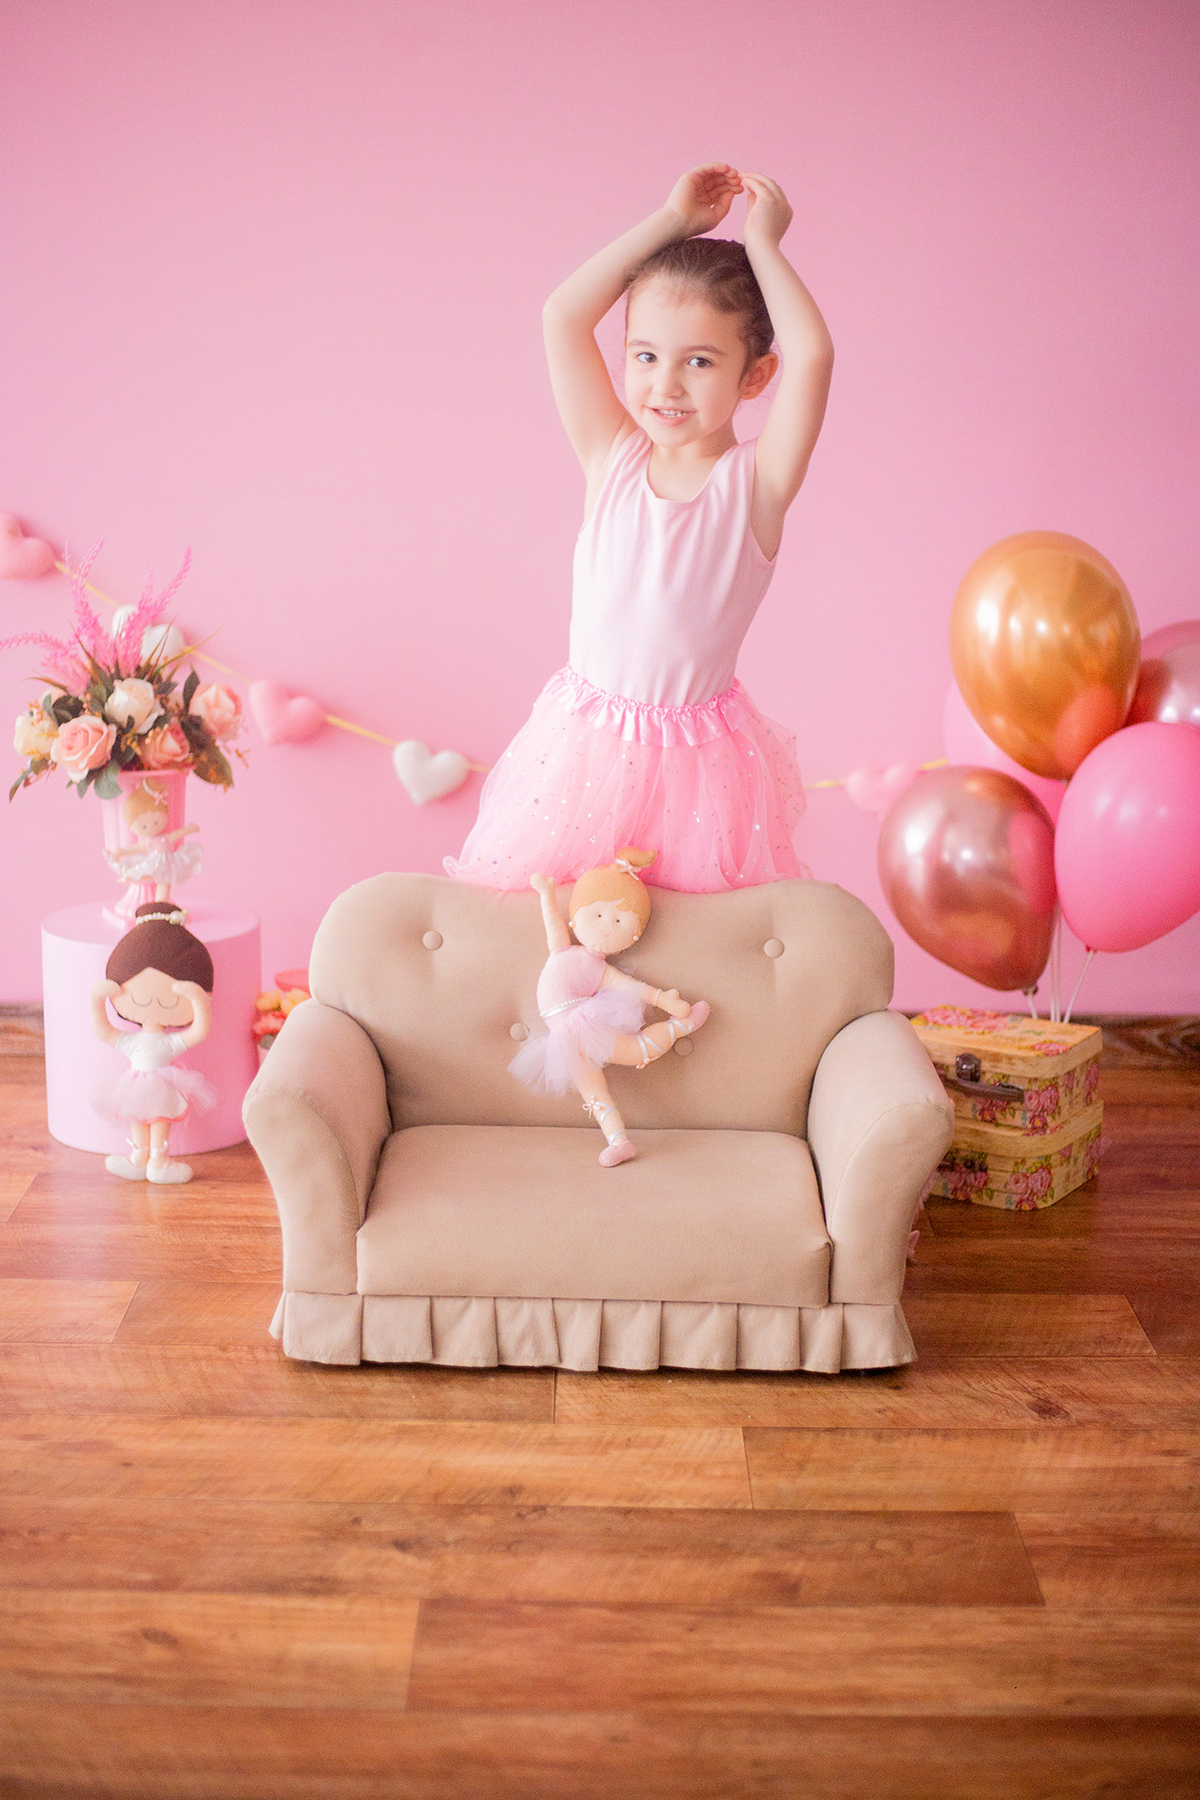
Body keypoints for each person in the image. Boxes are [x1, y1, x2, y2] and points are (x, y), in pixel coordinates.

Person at [447, 163, 833, 894]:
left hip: (701, 772)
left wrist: (765, 245)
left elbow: (814, 356)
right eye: (647, 356)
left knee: (683, 959)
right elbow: (562, 315)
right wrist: (670, 222)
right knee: (550, 928)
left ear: (755, 378)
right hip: (579, 752)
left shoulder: (755, 486)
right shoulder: (612, 456)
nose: (666, 384)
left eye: (700, 361)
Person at [509, 847, 709, 1166]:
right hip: (563, 1040)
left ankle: (681, 1025)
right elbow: (554, 925)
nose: (606, 926)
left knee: (633, 1051)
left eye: (617, 920)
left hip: (583, 1024)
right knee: (594, 1094)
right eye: (600, 915)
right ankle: (618, 1140)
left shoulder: (601, 971)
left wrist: (665, 1000)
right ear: (578, 916)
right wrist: (546, 892)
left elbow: (634, 988)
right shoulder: (562, 950)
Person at [89, 902, 215, 1184]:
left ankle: (158, 1160)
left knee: (159, 1120)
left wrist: (197, 1000)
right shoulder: (134, 1043)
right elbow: (104, 1032)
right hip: (135, 1085)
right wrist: (97, 999)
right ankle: (138, 1158)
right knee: (137, 1117)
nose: (152, 1001)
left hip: (162, 1082)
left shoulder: (166, 1043)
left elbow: (198, 1032)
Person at [104, 778, 202, 902]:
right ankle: (158, 901)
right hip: (154, 863)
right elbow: (136, 848)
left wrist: (189, 829)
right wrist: (122, 852)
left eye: (156, 822)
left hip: (169, 862)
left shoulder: (164, 837)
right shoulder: (149, 842)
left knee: (164, 883)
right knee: (140, 875)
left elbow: (176, 835)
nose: (151, 827)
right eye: (144, 826)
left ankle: (161, 902)